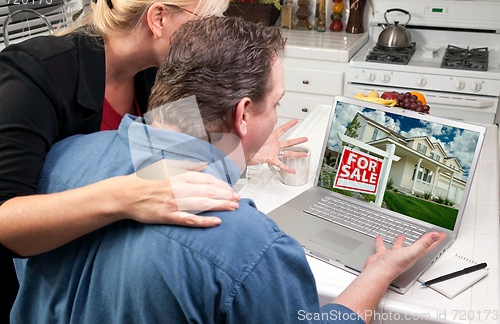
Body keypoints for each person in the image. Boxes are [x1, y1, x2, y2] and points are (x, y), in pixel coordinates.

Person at [11, 16, 446, 324]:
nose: (276, 114)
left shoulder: (61, 159)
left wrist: (239, 153)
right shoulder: (249, 246)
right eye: (275, 104)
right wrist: (379, 271)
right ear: (242, 114)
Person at [0, 0, 306, 319]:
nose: (210, 34)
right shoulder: (35, 76)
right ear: (158, 18)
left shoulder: (155, 72)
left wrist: (245, 144)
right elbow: (6, 221)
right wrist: (127, 195)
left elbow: (190, 141)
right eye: (203, 21)